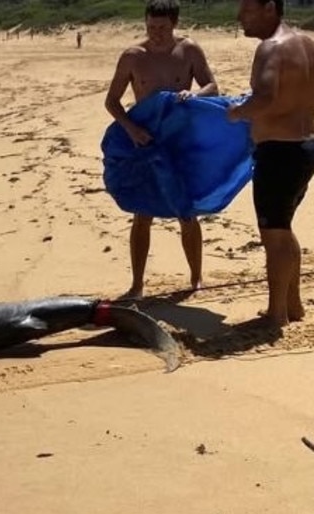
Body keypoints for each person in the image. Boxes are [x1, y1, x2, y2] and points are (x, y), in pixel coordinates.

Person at [103, 0, 219, 299]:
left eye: (163, 28)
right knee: (142, 213)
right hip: (144, 141)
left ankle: (196, 279)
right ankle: (137, 285)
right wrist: (130, 128)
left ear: (175, 24)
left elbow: (212, 87)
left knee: (186, 212)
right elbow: (112, 102)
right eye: (151, 27)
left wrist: (192, 94)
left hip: (180, 140)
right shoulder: (132, 56)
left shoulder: (189, 50)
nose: (156, 33)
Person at [228, 0, 314, 326]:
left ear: (269, 8)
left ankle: (276, 313)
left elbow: (266, 97)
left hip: (280, 152)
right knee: (283, 227)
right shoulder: (307, 43)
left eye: (246, 10)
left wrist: (237, 112)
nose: (239, 17)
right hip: (305, 146)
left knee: (274, 234)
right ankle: (293, 305)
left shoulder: (270, 47)